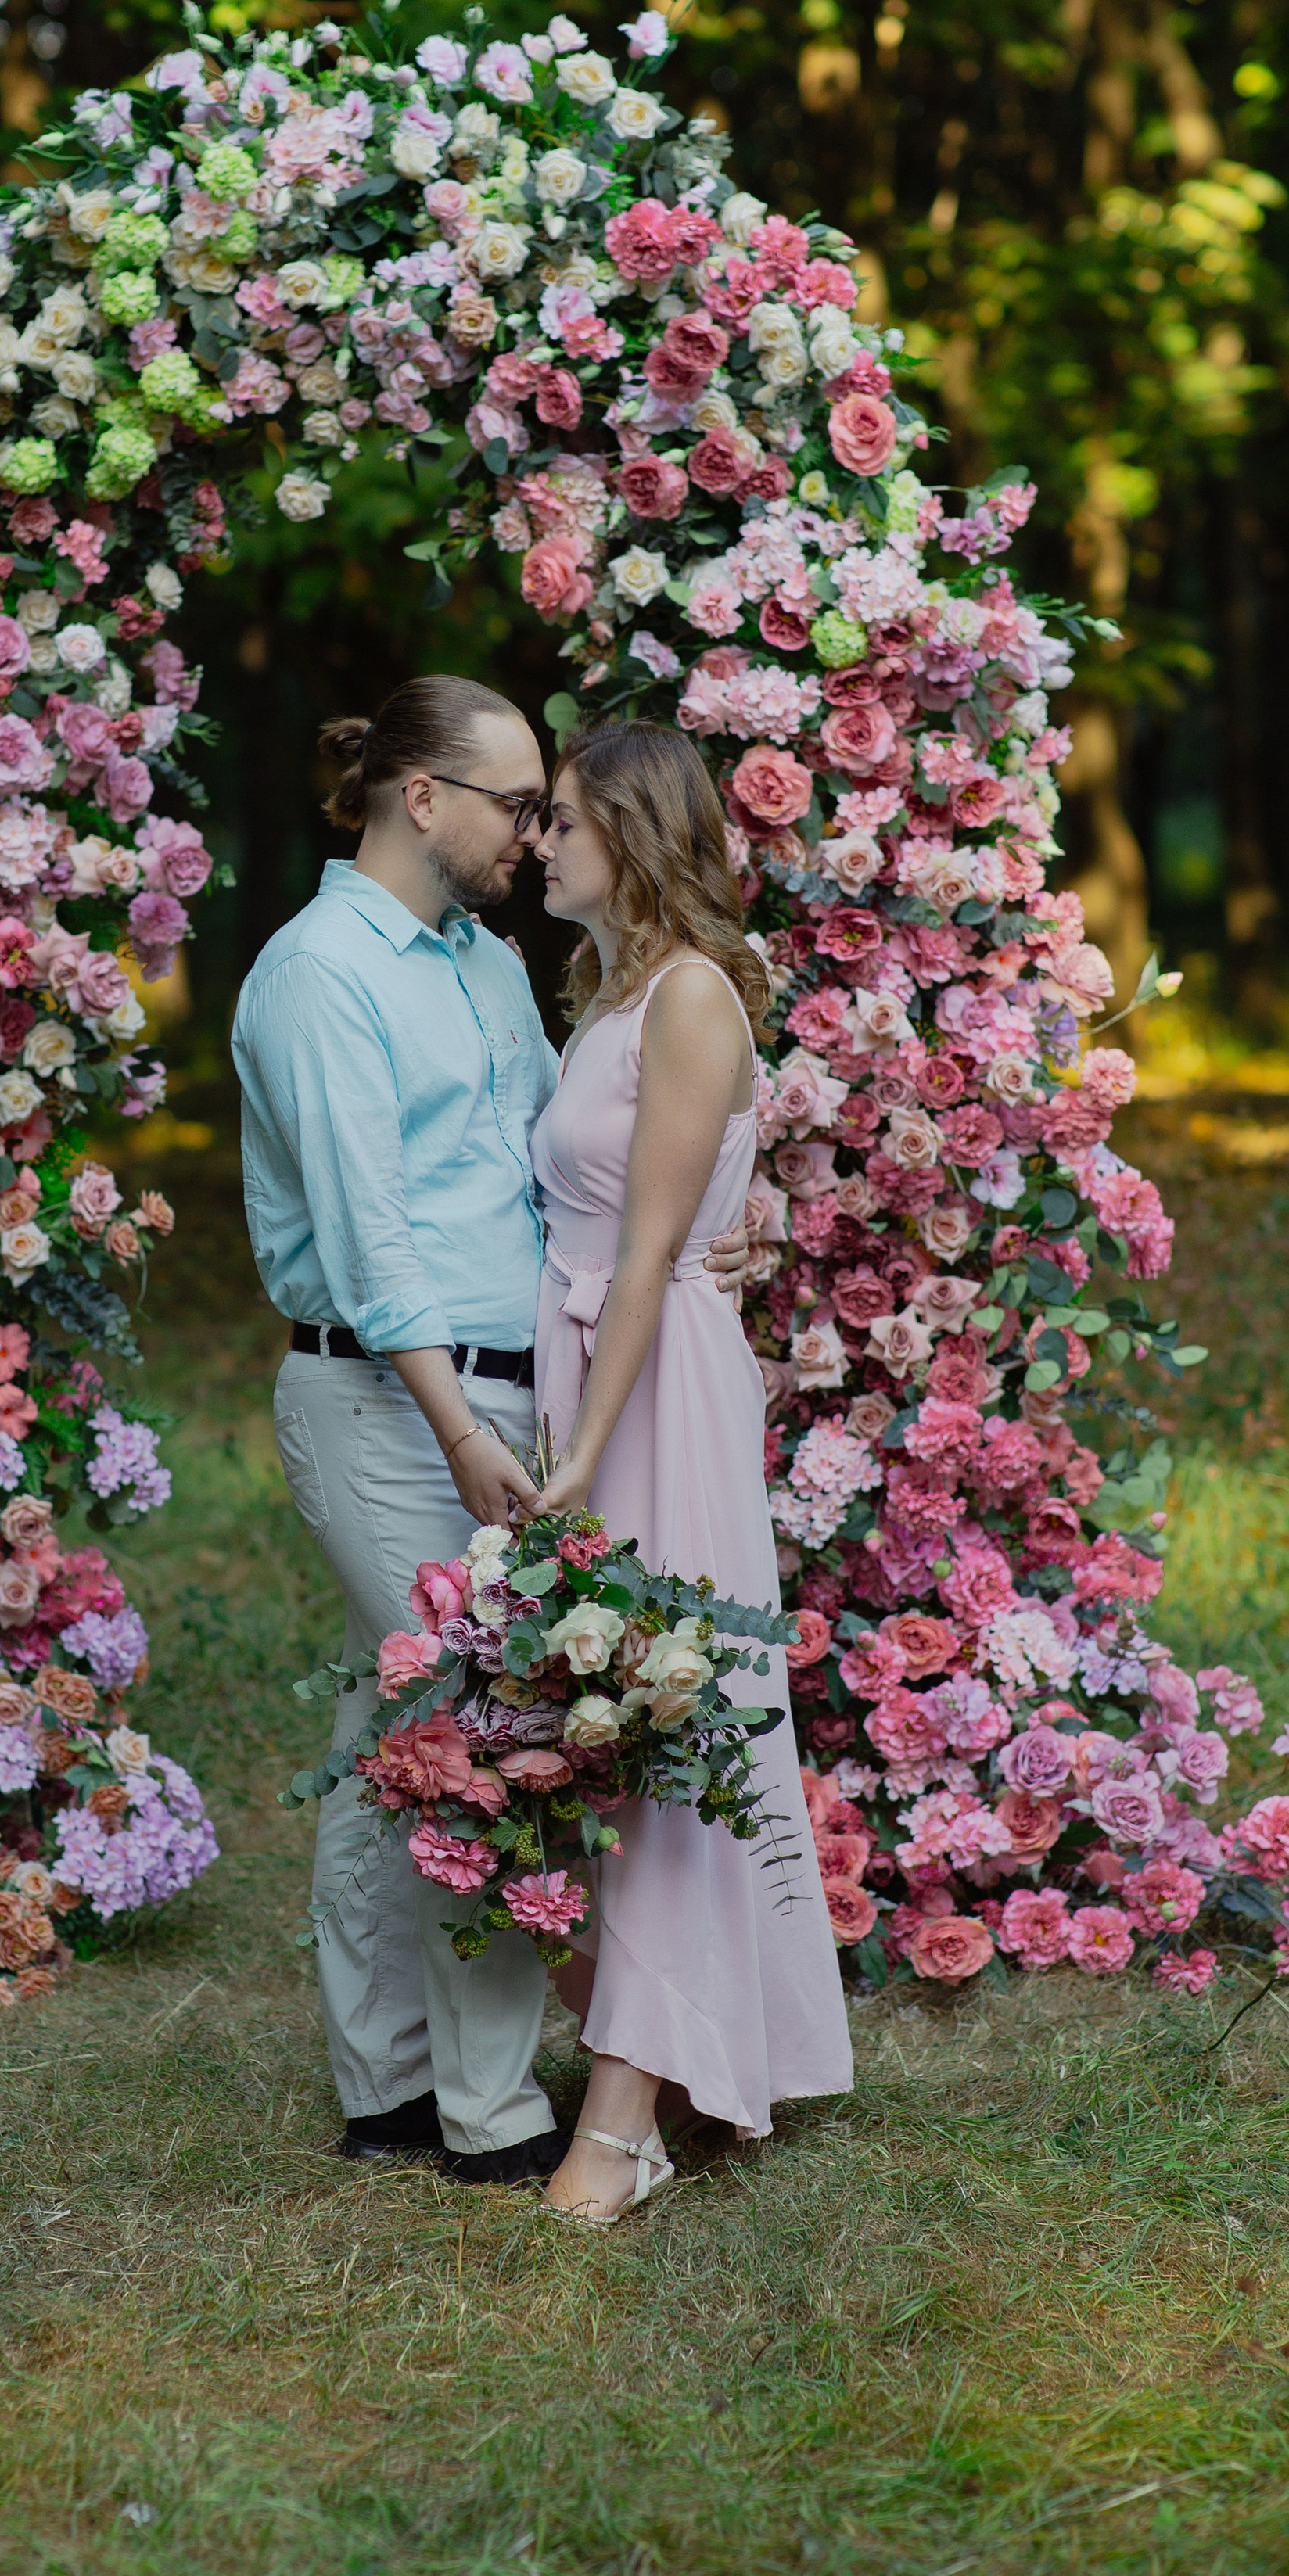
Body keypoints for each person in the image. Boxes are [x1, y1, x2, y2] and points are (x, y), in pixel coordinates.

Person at [232, 676, 749, 2186]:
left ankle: (388, 2081)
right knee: (482, 1729)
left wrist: (707, 1234)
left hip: (511, 1388)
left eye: (548, 810)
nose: (535, 833)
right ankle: (493, 2109)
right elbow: (369, 1233)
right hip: (393, 1398)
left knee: (386, 1722)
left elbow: (557, 1178)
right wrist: (463, 1427)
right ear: (422, 800)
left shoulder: (487, 964)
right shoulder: (318, 973)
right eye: (518, 804)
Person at [528, 718, 854, 2224]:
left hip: (651, 1389)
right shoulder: (610, 999)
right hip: (595, 1361)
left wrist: (587, 1442)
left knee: (665, 1724)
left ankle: (624, 2115)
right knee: (610, 1717)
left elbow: (654, 1246)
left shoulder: (694, 999)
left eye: (563, 819)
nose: (540, 841)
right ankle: (658, 2046)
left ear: (636, 834)